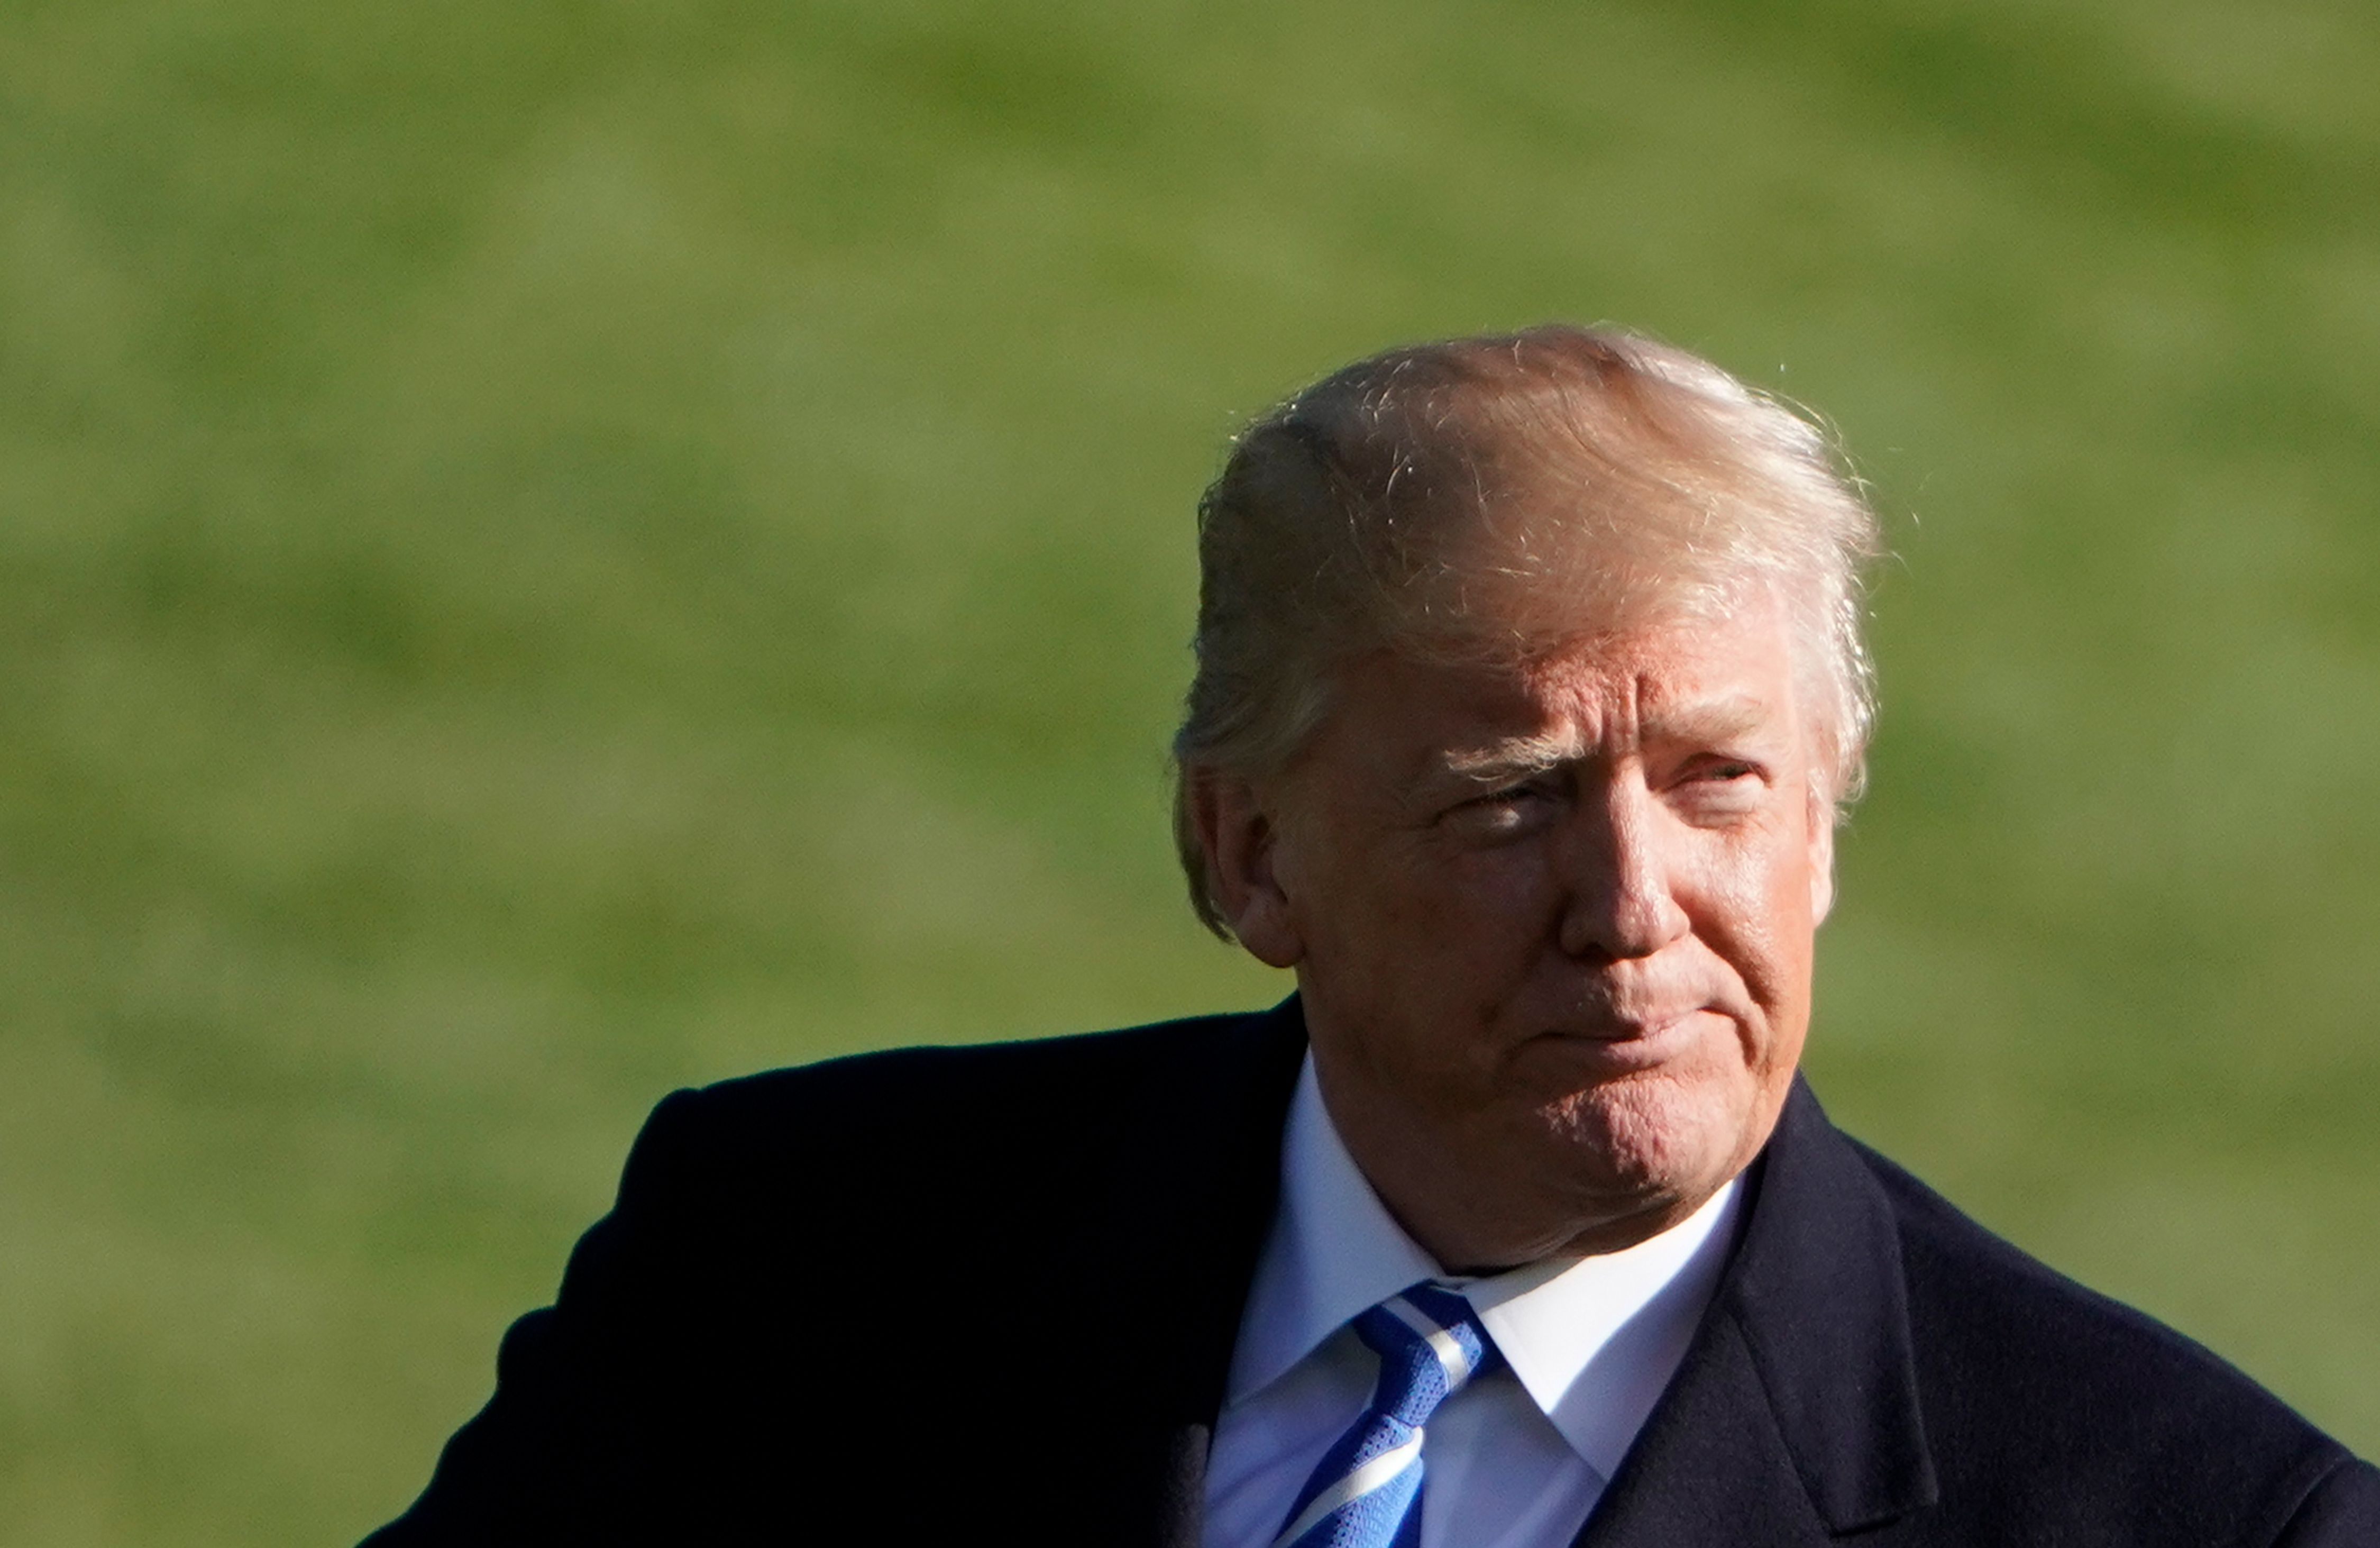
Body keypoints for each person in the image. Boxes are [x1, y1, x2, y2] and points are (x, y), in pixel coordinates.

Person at [364, 326, 2379, 1546]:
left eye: (1718, 786)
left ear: (1828, 825)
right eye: (1503, 796)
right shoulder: (790, 1269)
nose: (1628, 910)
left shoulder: (2192, 1526)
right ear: (1244, 857)